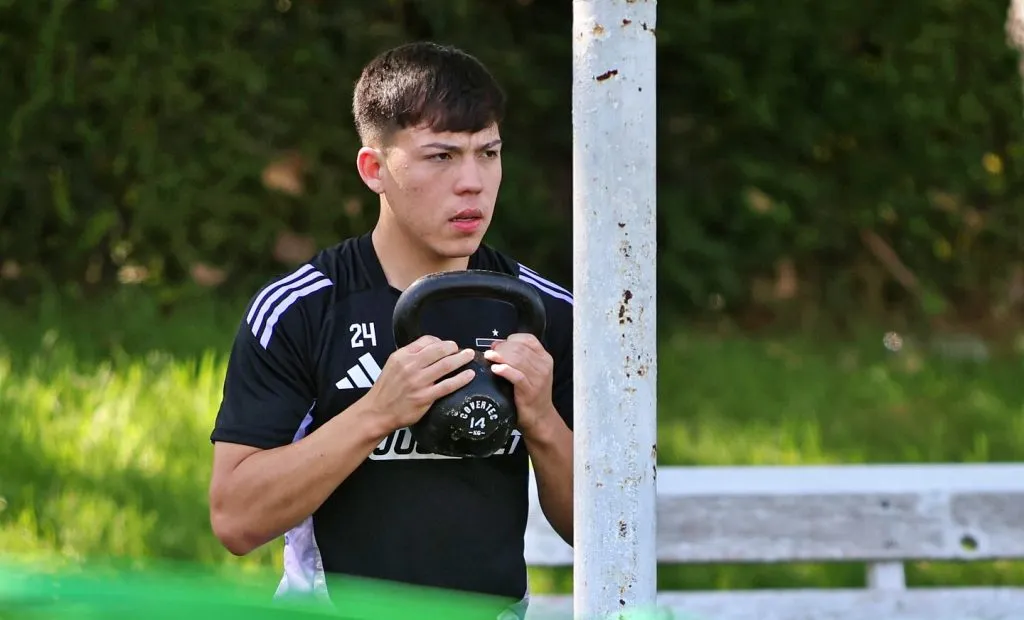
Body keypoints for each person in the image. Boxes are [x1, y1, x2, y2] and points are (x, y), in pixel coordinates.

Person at [207, 41, 574, 618]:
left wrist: (544, 422)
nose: (473, 182)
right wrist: (380, 410)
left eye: (490, 152)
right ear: (374, 169)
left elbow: (609, 529)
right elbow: (235, 519)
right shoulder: (301, 309)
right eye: (441, 157)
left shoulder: (546, 313)